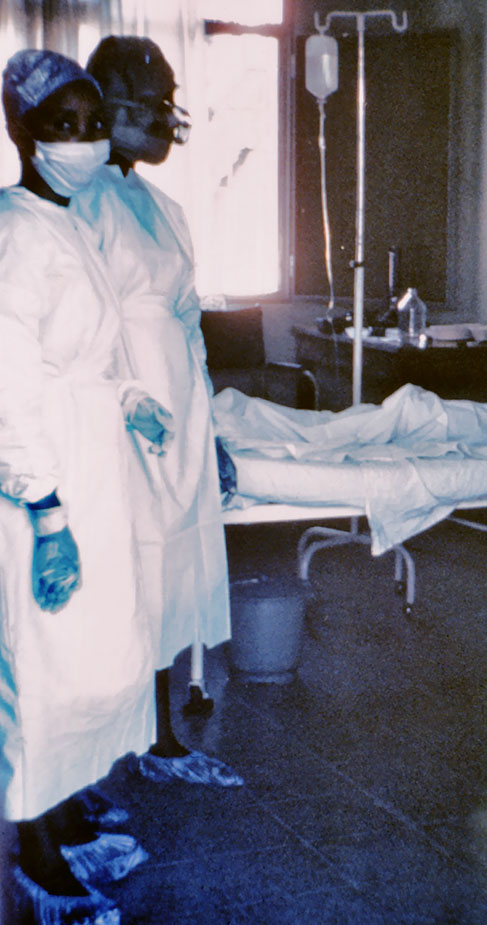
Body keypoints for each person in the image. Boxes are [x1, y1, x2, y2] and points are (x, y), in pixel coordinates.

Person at [0, 49, 179, 923]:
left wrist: (132, 395)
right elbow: (9, 386)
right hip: (42, 483)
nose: (83, 139)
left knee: (91, 661)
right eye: (62, 125)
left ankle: (68, 818)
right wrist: (45, 513)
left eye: (93, 123)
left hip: (96, 467)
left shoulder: (73, 223)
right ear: (21, 131)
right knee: (43, 666)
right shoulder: (12, 233)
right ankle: (35, 854)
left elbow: (93, 348)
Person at [71, 36, 238, 784]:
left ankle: (162, 738)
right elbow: (78, 331)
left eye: (170, 102)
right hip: (118, 414)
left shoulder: (163, 207)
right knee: (121, 579)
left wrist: (211, 434)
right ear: (108, 104)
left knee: (168, 573)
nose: (166, 119)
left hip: (181, 408)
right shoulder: (73, 202)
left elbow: (190, 326)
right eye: (153, 102)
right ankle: (94, 762)